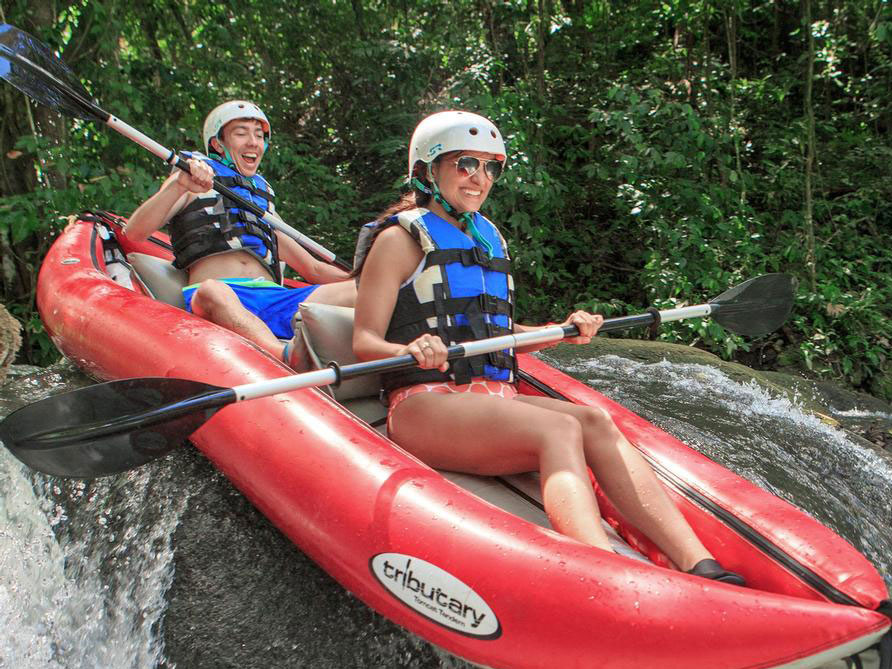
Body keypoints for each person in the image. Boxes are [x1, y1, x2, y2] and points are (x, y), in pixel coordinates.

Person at [352, 110, 745, 585]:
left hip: (493, 402)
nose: (480, 178)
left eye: (490, 167)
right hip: (426, 406)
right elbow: (364, 342)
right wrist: (415, 346)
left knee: (595, 421)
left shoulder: (486, 237)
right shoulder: (398, 240)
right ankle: (608, 571)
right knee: (556, 430)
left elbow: (498, 329)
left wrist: (560, 329)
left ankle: (699, 562)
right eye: (465, 164)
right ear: (427, 171)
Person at [124, 100, 356, 366]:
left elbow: (313, 268)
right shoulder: (190, 181)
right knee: (212, 291)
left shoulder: (262, 202)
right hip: (221, 297)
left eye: (259, 135)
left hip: (276, 299)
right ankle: (282, 355)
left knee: (362, 291)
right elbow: (134, 233)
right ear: (217, 144)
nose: (253, 142)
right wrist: (178, 185)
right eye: (241, 133)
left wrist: (368, 278)